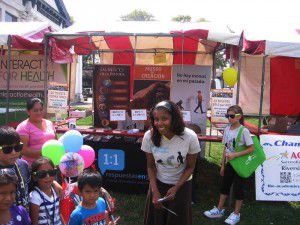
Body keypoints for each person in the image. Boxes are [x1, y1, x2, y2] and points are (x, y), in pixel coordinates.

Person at [141, 100, 201, 225]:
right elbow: (150, 166)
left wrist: (176, 187)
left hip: (182, 185)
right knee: (156, 219)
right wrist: (155, 191)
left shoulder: (190, 136)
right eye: (156, 119)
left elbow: (190, 167)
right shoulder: (149, 136)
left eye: (164, 118)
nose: (159, 123)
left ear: (174, 119)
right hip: (158, 184)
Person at [204, 105, 254, 225]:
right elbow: (225, 148)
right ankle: (219, 209)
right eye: (227, 116)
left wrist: (236, 155)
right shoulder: (227, 128)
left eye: (232, 116)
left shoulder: (244, 131)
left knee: (239, 188)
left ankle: (236, 214)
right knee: (224, 186)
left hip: (240, 164)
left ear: (239, 116)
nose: (229, 118)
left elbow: (251, 149)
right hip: (229, 163)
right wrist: (222, 165)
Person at [16, 98, 56, 166]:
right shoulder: (23, 127)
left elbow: (56, 141)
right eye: (35, 110)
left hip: (51, 166)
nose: (39, 113)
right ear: (28, 112)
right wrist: (44, 153)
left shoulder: (49, 123)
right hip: (32, 167)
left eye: (41, 109)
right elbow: (22, 149)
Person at [0, 126, 31, 208]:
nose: (14, 152)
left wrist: (53, 183)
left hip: (24, 217)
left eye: (17, 147)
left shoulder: (23, 165)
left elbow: (32, 186)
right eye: (7, 149)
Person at [29, 156, 64, 225]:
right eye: (42, 174)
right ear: (35, 177)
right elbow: (34, 222)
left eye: (51, 172)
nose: (48, 176)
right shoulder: (35, 197)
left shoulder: (56, 191)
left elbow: (59, 213)